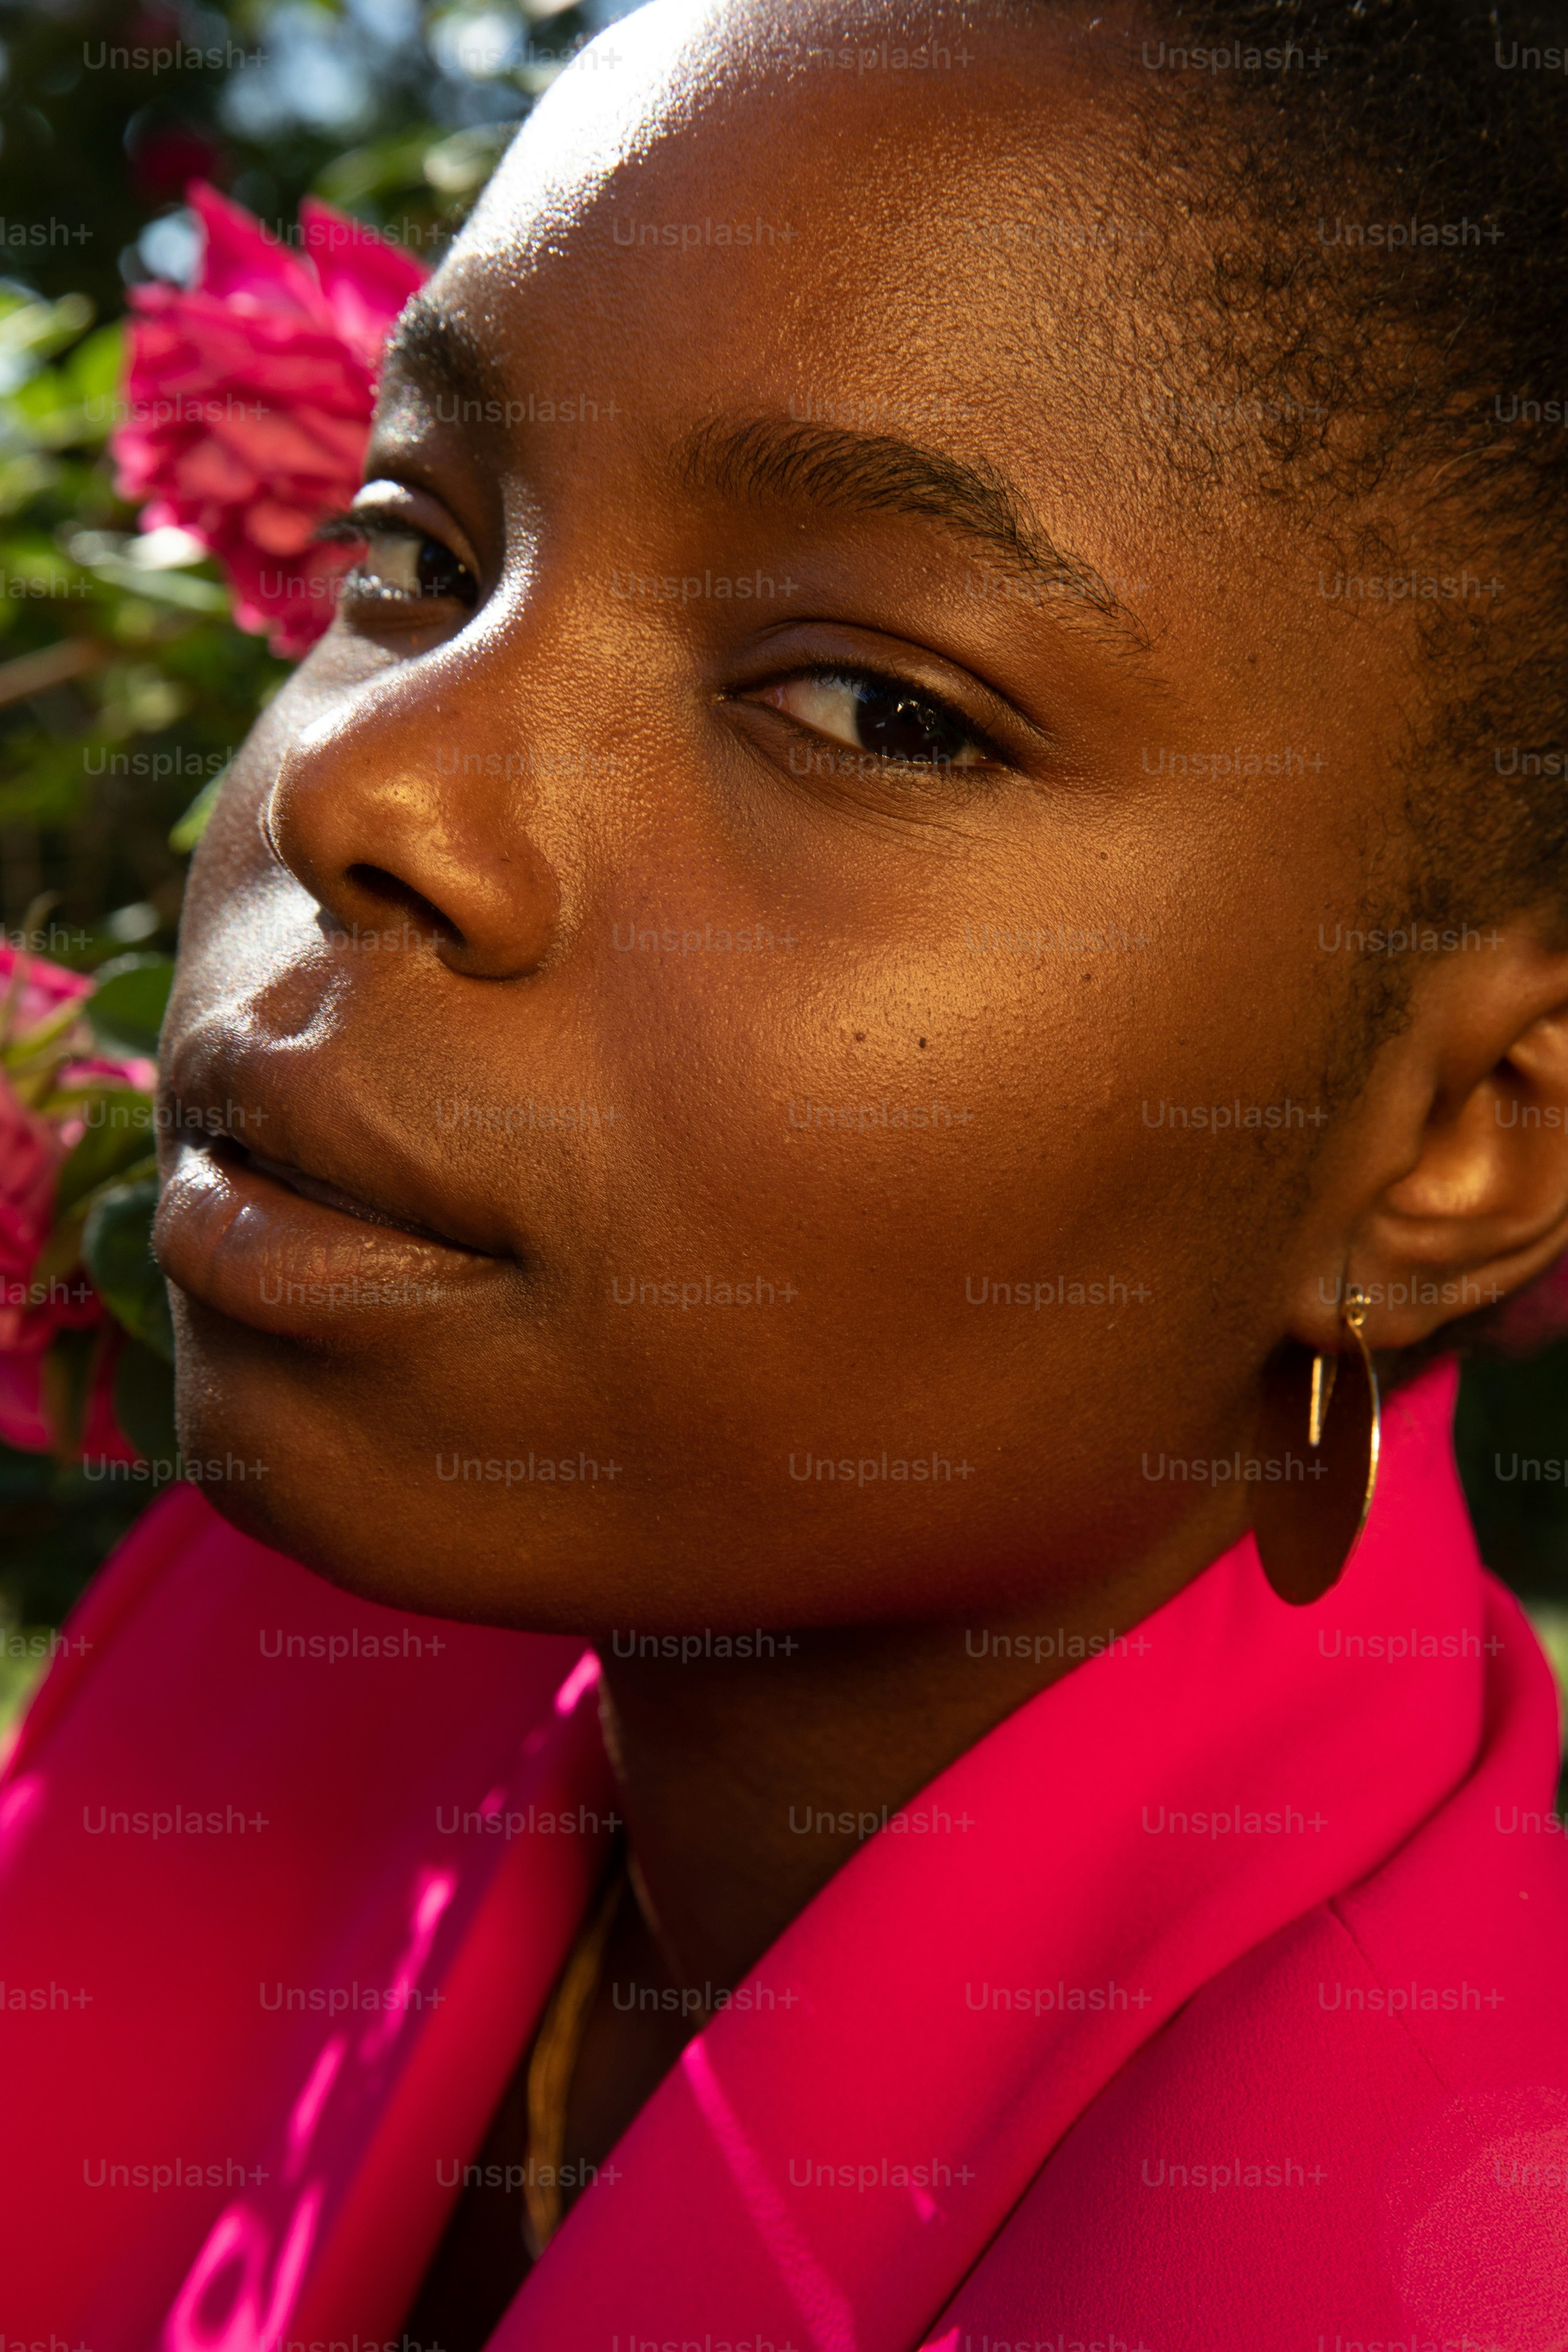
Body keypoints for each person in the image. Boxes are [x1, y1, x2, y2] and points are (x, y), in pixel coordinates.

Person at [5, 2, 1568, 2345]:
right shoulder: (274, 1676)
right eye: (421, 545)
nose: (365, 798)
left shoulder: (1416, 2254)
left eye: (873, 708)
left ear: (1454, 1144)